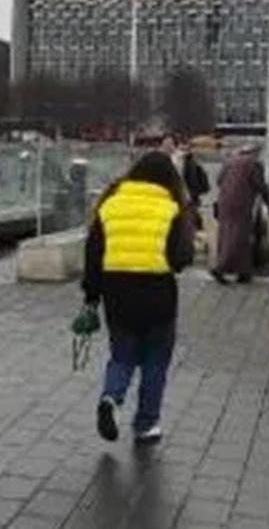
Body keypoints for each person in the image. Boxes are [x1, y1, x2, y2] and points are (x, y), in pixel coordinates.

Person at [83, 151, 195, 445]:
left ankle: (111, 397)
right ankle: (146, 425)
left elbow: (93, 256)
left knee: (122, 356)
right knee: (155, 362)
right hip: (158, 294)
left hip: (117, 294)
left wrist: (91, 298)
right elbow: (181, 258)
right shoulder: (172, 207)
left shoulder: (110, 204)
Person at [211, 144, 269, 284]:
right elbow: (261, 186)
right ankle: (220, 268)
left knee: (227, 235)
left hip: (224, 202)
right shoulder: (254, 164)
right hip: (241, 204)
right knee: (238, 237)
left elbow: (219, 180)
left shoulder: (230, 161)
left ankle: (243, 271)